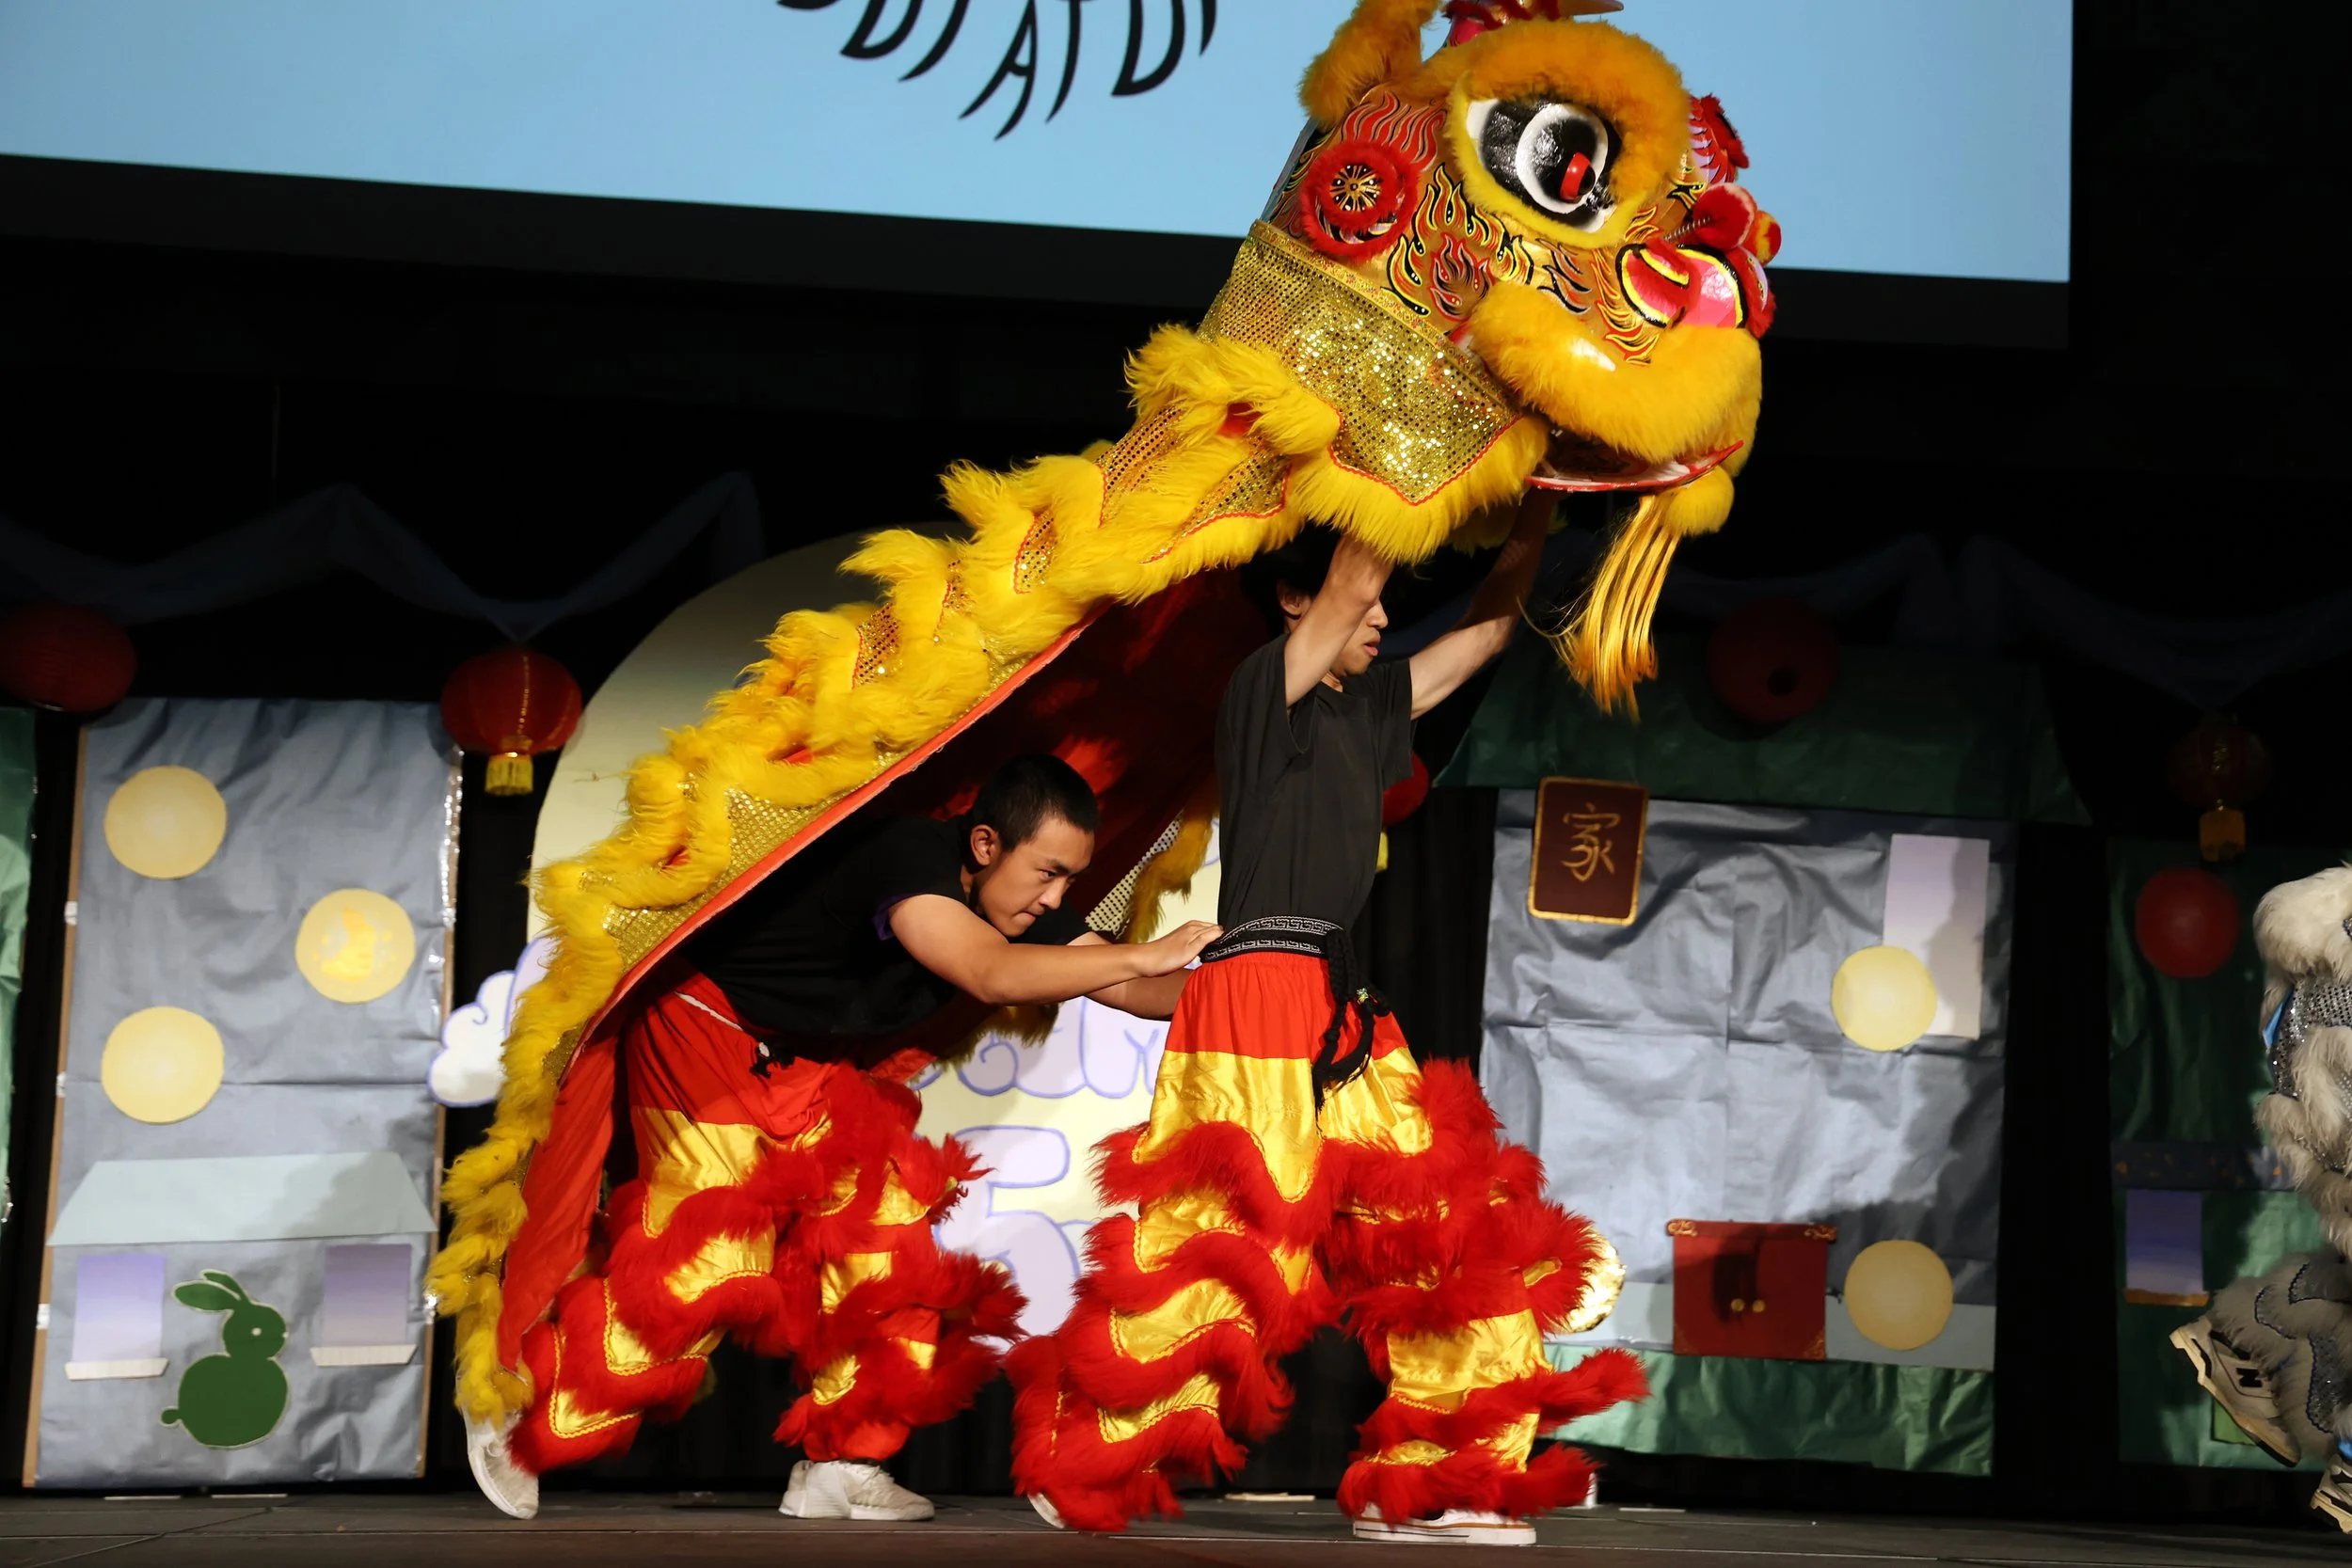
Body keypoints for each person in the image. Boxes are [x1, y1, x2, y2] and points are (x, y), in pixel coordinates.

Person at [1007, 497, 1643, 1547]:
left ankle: (1436, 1475)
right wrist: (1415, 456)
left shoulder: (1372, 705)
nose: (1383, 613)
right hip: (1256, 986)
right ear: (1296, 600)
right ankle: (1093, 1454)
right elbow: (1353, 577)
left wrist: (1535, 506)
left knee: (1436, 1224)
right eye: (1365, 599)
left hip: (1344, 1004)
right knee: (1217, 1248)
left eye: (1390, 604)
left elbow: (1486, 627)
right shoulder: (1267, 690)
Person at [467, 753, 1217, 1523]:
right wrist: (1146, 950)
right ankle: (514, 1412)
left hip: (811, 1066)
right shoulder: (910, 858)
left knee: (892, 1241)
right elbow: (989, 973)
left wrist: (1247, 984)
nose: (1057, 897)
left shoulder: (1016, 904)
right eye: (1049, 872)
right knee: (709, 1256)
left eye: (1070, 880)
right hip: (707, 1029)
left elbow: (1127, 986)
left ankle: (843, 1459)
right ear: (987, 844)